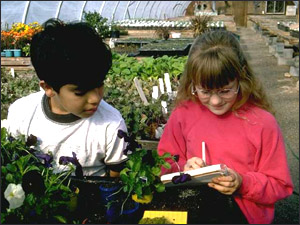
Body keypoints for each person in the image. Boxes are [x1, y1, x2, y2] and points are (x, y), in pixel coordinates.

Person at [158, 30, 293, 224]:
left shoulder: (262, 123)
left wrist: (242, 183)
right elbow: (163, 163)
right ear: (192, 83)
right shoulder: (183, 114)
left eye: (225, 91)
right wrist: (183, 168)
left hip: (242, 214)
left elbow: (279, 185)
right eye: (204, 91)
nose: (215, 101)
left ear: (242, 79)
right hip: (193, 204)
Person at [6, 18, 128, 177]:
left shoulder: (111, 125)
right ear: (48, 88)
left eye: (99, 85)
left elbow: (115, 180)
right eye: (80, 92)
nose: (95, 98)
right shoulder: (22, 113)